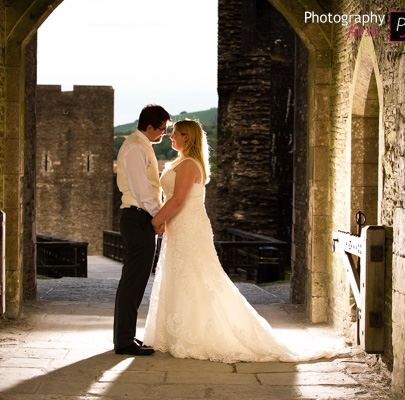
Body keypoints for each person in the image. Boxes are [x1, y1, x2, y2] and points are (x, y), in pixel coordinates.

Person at [143, 119, 343, 363]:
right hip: (179, 226)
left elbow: (177, 201)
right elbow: (171, 199)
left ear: (187, 137)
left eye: (175, 133)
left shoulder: (188, 165)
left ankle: (201, 334)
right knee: (182, 276)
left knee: (198, 277)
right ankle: (176, 332)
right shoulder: (179, 162)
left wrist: (156, 221)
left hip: (190, 228)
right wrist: (165, 220)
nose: (171, 137)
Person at [113, 104, 171, 356]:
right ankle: (123, 340)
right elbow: (141, 189)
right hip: (137, 217)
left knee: (135, 281)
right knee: (133, 281)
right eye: (162, 129)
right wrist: (158, 216)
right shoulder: (135, 148)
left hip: (139, 217)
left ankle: (126, 336)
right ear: (149, 127)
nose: (163, 134)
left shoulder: (140, 145)